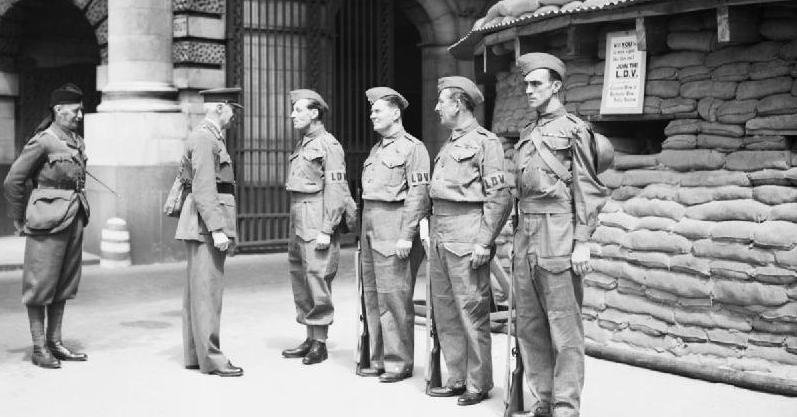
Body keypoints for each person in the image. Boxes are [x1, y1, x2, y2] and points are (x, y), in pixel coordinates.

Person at [511, 53, 606, 417]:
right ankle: (544, 400)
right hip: (526, 234)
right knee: (531, 325)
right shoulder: (525, 133)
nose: (528, 90)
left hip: (558, 231)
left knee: (564, 328)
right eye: (525, 84)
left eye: (536, 84)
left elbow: (587, 188)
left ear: (556, 86)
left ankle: (566, 405)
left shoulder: (575, 130)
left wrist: (582, 242)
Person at [426, 76, 511, 406]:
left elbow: (499, 197)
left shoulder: (485, 142)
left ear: (459, 104)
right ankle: (456, 377)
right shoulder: (449, 143)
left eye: (442, 101)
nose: (436, 107)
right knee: (445, 310)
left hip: (467, 232)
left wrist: (484, 242)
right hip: (440, 232)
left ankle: (478, 383)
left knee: (471, 311)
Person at [3, 83, 90, 369]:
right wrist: (19, 217)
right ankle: (40, 347)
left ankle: (55, 342)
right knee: (40, 284)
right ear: (58, 110)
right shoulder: (43, 140)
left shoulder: (76, 140)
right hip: (47, 220)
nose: (80, 115)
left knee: (63, 283)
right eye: (75, 110)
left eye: (80, 110)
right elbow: (14, 180)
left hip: (74, 215)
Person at [358, 87, 430, 383]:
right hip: (371, 225)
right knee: (372, 296)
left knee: (395, 297)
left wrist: (407, 234)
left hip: (394, 225)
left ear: (396, 113)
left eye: (378, 110)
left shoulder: (414, 148)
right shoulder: (377, 149)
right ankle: (377, 358)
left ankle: (398, 362)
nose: (372, 115)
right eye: (371, 110)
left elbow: (418, 193)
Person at [174, 87, 244, 377]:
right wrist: (217, 229)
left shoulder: (207, 136)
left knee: (198, 292)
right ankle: (212, 359)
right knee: (208, 293)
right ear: (220, 107)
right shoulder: (205, 138)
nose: (234, 117)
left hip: (201, 224)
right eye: (232, 110)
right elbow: (204, 188)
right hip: (206, 225)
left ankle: (197, 355)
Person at [281, 89, 350, 365]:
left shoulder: (328, 145)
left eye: (298, 110)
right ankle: (310, 336)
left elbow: (336, 188)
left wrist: (327, 228)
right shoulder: (303, 143)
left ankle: (320, 341)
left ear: (314, 113)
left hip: (317, 214)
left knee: (317, 276)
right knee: (300, 275)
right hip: (298, 214)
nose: (292, 115)